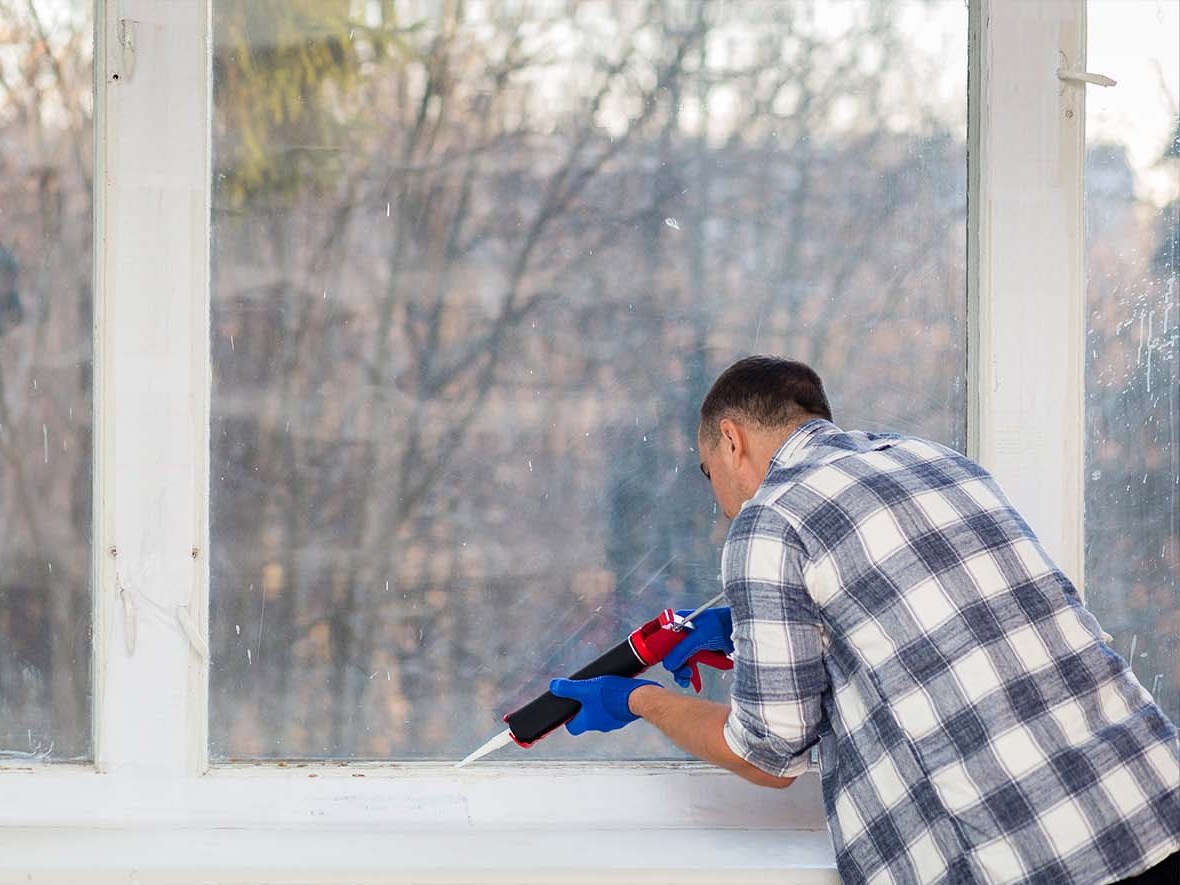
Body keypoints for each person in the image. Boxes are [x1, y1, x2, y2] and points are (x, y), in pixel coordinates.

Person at [550, 355, 1179, 884]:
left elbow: (767, 755)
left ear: (732, 439)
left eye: (709, 471)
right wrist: (749, 635)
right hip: (1153, 803)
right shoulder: (936, 462)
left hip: (1028, 858)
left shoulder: (770, 520)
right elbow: (927, 634)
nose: (718, 500)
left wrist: (638, 701)